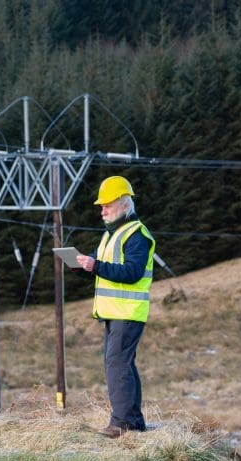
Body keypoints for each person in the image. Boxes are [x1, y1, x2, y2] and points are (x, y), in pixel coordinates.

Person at [75, 176, 155, 438]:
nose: (102, 210)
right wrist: (86, 263)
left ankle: (121, 424)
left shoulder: (136, 234)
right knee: (123, 365)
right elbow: (106, 267)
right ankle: (134, 422)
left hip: (127, 313)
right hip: (115, 313)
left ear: (124, 205)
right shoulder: (112, 234)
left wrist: (95, 265)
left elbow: (132, 272)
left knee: (117, 365)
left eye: (107, 205)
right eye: (102, 206)